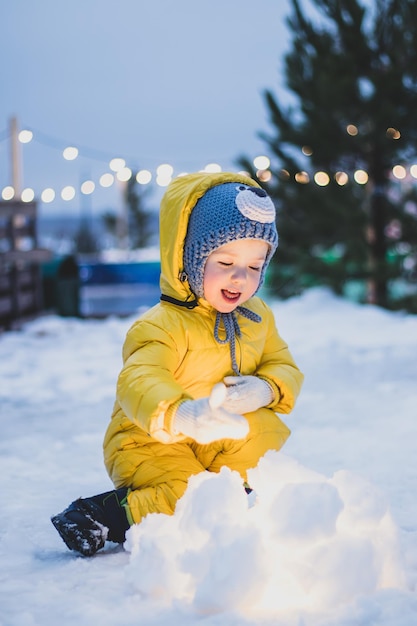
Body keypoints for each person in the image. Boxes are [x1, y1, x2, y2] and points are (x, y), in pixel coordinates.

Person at [51, 171, 304, 556]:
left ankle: (238, 492)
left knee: (266, 433)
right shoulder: (161, 325)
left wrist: (265, 388)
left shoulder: (258, 316)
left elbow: (283, 363)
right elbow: (138, 379)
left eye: (254, 266)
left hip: (215, 440)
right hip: (150, 438)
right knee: (192, 497)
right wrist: (182, 415)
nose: (241, 276)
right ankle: (105, 515)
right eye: (225, 261)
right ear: (191, 256)